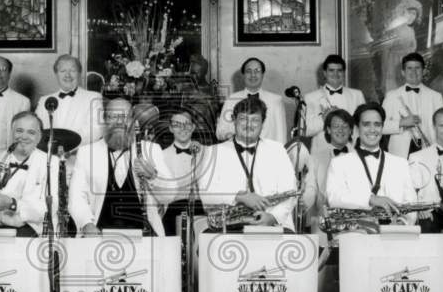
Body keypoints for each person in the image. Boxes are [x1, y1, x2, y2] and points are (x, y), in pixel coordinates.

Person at [68, 98, 175, 236]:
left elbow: (169, 196)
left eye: (124, 116)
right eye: (113, 116)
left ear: (133, 121)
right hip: (98, 236)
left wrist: (153, 176)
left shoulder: (152, 150)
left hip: (145, 238)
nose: (119, 122)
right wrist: (86, 224)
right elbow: (76, 196)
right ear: (104, 121)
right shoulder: (86, 153)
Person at [202, 96, 298, 232]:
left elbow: (290, 192)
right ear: (234, 121)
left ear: (262, 124)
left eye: (255, 120)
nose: (249, 124)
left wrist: (272, 217)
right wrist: (240, 196)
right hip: (229, 226)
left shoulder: (277, 150)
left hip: (273, 224)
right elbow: (206, 193)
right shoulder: (214, 152)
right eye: (243, 119)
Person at [326, 102, 418, 225]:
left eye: (377, 124)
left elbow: (411, 204)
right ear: (357, 129)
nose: (372, 130)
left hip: (395, 236)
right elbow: (334, 197)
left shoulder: (400, 163)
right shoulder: (339, 163)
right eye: (366, 124)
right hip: (356, 235)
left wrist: (401, 224)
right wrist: (370, 199)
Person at [0, 112, 56, 235]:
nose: (24, 137)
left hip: (27, 229)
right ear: (11, 133)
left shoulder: (51, 162)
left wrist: (12, 204)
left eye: (31, 132)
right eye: (19, 131)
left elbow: (48, 209)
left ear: (39, 137)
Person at [408, 108, 443, 233]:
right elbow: (410, 190)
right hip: (431, 212)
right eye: (442, 126)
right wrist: (419, 209)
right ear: (434, 127)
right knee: (427, 225)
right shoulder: (417, 157)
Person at [381, 52, 443, 157]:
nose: (413, 72)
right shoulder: (392, 96)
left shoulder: (436, 97)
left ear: (423, 71)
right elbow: (381, 126)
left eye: (417, 68)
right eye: (409, 68)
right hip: (399, 154)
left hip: (428, 151)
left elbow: (442, 126)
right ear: (403, 72)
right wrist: (401, 122)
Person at [160, 106, 209, 236]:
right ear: (170, 128)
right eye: (177, 125)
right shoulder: (161, 156)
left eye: (187, 124)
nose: (183, 129)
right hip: (172, 211)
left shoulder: (206, 153)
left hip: (201, 210)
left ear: (193, 127)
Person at [35, 54, 104, 146]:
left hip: (81, 155)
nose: (67, 75)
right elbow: (38, 129)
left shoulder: (93, 98)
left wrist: (67, 146)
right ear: (56, 74)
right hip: (52, 154)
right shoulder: (44, 100)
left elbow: (96, 130)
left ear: (79, 73)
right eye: (62, 71)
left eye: (72, 70)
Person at [215, 57, 287, 144]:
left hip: (267, 153)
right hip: (237, 152)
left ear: (262, 75)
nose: (253, 75)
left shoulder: (276, 100)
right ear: (243, 75)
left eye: (257, 71)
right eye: (248, 71)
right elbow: (220, 132)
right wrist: (237, 135)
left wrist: (280, 155)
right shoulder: (231, 99)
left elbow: (281, 135)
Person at [303, 55, 365, 155]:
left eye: (339, 70)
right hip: (322, 152)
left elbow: (362, 125)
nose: (335, 74)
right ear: (324, 73)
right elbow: (307, 131)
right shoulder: (310, 97)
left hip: (351, 150)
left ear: (344, 72)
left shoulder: (357, 95)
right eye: (331, 70)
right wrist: (325, 118)